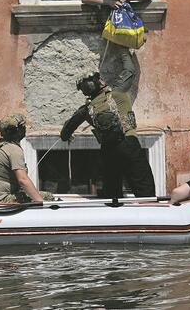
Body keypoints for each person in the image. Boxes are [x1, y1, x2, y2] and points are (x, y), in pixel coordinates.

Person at [59, 49, 156, 199]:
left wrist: (68, 135)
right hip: (129, 144)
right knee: (144, 188)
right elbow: (130, 70)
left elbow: (65, 132)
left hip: (108, 151)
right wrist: (123, 49)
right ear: (101, 82)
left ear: (85, 92)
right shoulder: (117, 93)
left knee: (112, 194)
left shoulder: (86, 110)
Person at [0, 113, 54, 203]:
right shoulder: (13, 150)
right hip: (1, 200)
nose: (25, 129)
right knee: (48, 196)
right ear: (18, 131)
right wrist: (41, 202)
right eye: (23, 127)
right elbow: (23, 180)